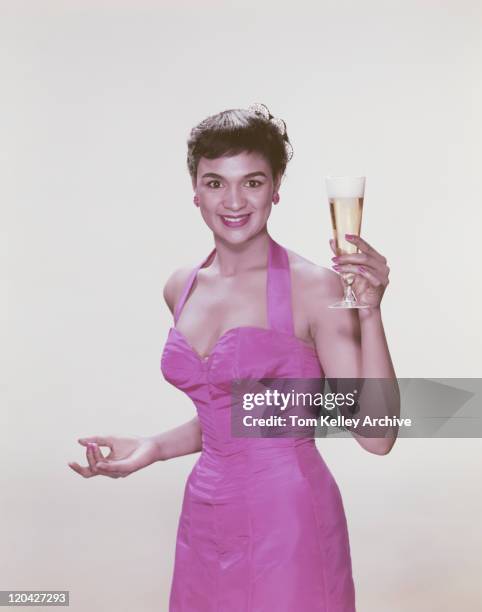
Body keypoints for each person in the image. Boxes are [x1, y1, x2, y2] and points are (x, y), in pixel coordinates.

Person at [69, 103, 398, 611]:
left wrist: (370, 313)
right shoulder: (180, 287)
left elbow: (376, 436)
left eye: (253, 181)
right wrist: (152, 447)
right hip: (205, 514)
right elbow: (239, 413)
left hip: (289, 519)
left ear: (277, 188)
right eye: (217, 182)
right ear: (195, 191)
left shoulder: (315, 287)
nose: (235, 200)